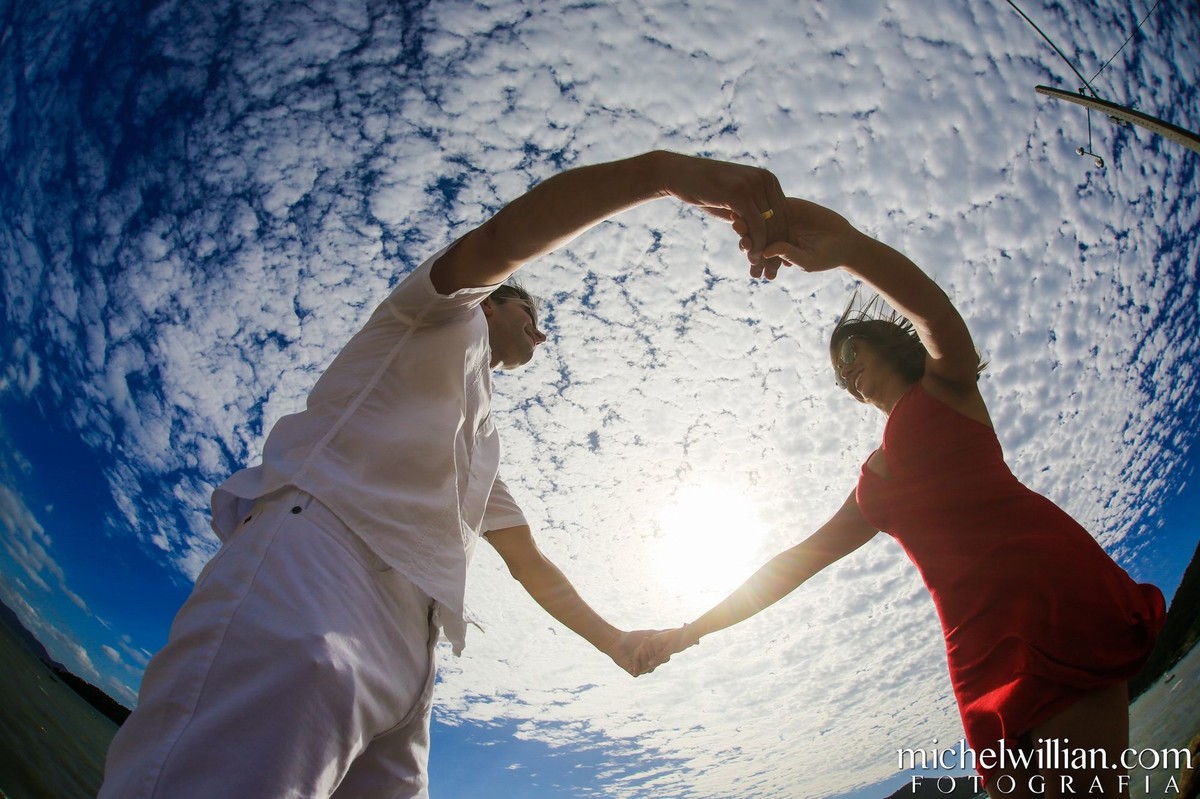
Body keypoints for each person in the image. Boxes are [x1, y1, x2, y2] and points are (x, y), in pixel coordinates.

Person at [97, 151, 792, 798]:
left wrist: (615, 640)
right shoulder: (431, 315)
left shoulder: (483, 443)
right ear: (490, 301)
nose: (542, 332)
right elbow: (501, 240)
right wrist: (662, 174)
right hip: (319, 568)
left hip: (415, 653)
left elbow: (530, 563)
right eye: (530, 312)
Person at [637, 197, 1166, 799]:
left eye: (849, 354)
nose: (846, 374)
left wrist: (852, 250)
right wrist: (689, 631)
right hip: (976, 646)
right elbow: (793, 564)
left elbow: (936, 313)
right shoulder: (873, 482)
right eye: (838, 374)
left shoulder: (948, 386)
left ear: (885, 343)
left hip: (1046, 597)